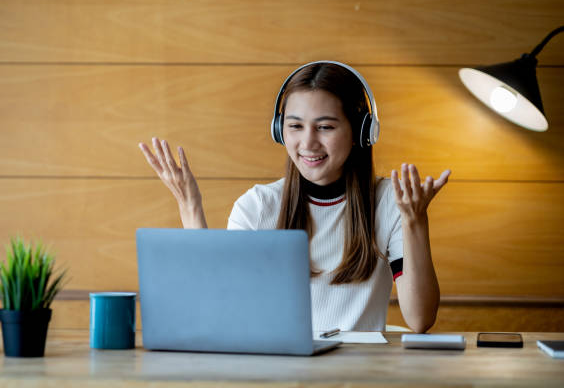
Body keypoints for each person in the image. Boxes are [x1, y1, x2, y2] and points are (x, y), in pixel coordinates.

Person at [138, 61, 451, 333]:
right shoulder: (257, 206)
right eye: (295, 126)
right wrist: (190, 207)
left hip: (359, 372)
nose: (308, 142)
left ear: (360, 133)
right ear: (280, 131)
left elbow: (420, 318)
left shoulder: (388, 202)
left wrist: (415, 222)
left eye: (325, 127)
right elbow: (219, 305)